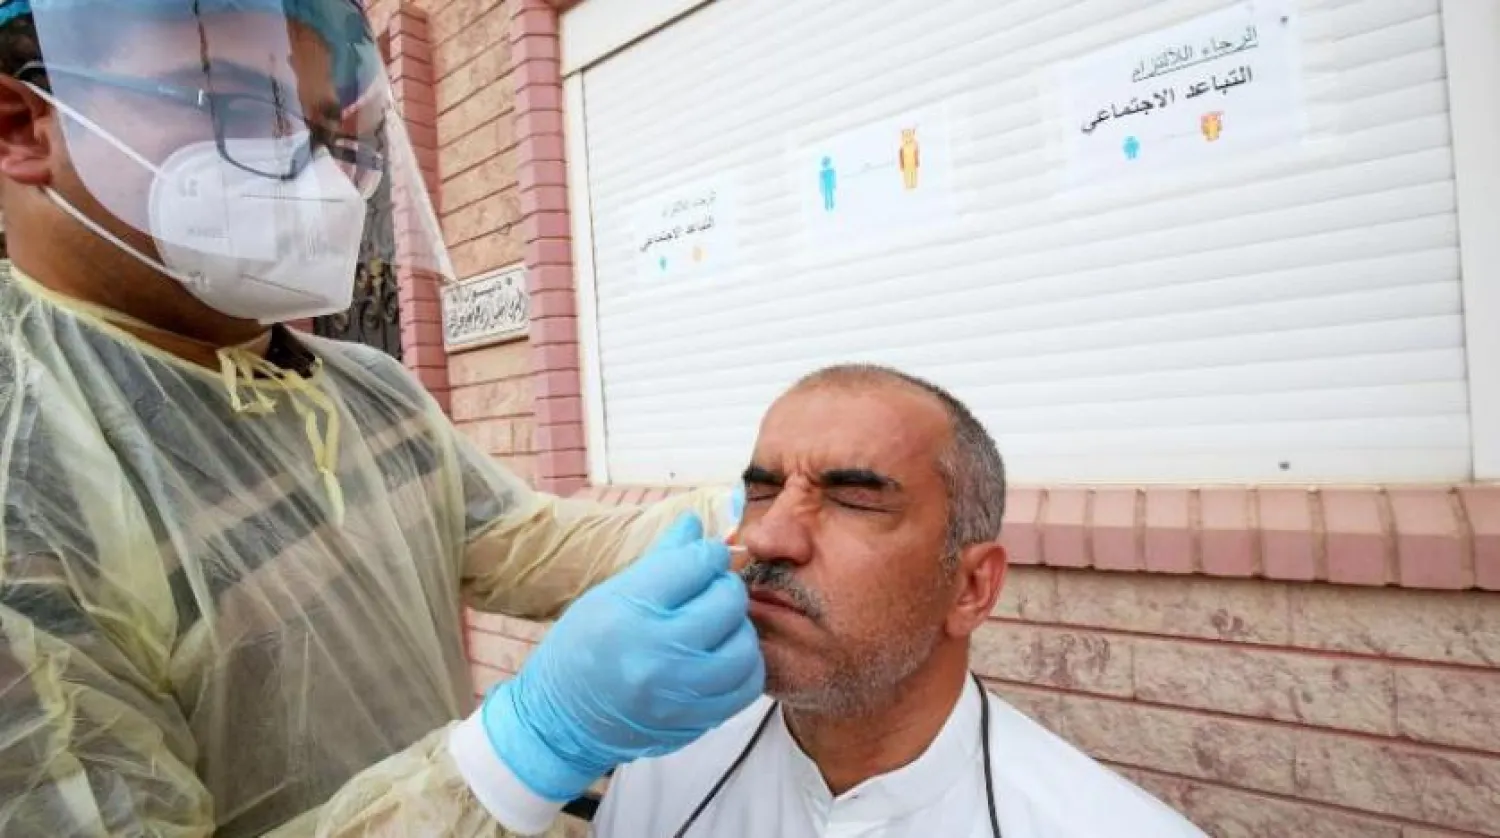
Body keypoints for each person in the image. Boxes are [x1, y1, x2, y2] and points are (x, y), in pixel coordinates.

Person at [0, 1, 763, 836]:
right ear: (20, 127)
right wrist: (518, 756)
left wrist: (748, 518)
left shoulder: (362, 388)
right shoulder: (29, 475)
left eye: (328, 135)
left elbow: (524, 544)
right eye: (241, 110)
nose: (312, 176)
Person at [592, 364, 1209, 837]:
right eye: (762, 492)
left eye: (853, 500)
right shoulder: (663, 772)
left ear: (971, 588)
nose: (767, 536)